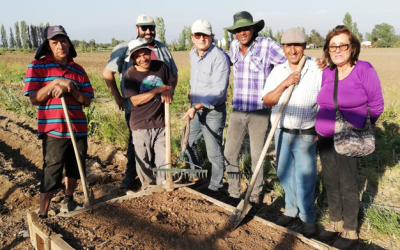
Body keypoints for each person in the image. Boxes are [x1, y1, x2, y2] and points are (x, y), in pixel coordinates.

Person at [316, 25, 384, 249]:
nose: (337, 50)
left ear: (352, 47)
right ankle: (335, 222)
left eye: (342, 45)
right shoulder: (328, 71)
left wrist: (362, 127)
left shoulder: (364, 69)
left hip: (349, 136)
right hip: (325, 137)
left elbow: (376, 105)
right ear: (327, 49)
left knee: (347, 183)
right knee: (331, 181)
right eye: (333, 46)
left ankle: (350, 230)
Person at [24, 25, 94, 219]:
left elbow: (87, 100)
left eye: (63, 42)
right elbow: (34, 98)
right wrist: (54, 84)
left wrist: (71, 88)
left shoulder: (78, 70)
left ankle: (68, 199)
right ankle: (43, 214)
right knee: (52, 170)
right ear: (48, 46)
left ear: (69, 44)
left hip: (77, 127)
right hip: (53, 129)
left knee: (75, 166)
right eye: (55, 42)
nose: (60, 46)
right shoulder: (37, 66)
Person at [103, 14, 177, 190]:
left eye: (151, 28)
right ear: (137, 29)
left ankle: (160, 182)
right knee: (137, 143)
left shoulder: (162, 49)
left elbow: (172, 75)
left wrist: (169, 90)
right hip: (135, 105)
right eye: (144, 28)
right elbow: (107, 74)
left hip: (160, 109)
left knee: (159, 144)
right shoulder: (124, 48)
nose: (148, 31)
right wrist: (118, 97)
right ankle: (131, 176)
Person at [262, 28, 322, 237]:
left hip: (306, 132)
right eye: (288, 45)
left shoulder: (317, 68)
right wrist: (285, 83)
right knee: (284, 172)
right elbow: (268, 100)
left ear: (304, 46)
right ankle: (290, 209)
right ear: (283, 48)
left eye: (297, 45)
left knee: (305, 176)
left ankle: (307, 216)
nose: (293, 50)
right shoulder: (277, 71)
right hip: (281, 131)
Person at [183, 20, 230, 192]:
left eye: (206, 35)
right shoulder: (192, 54)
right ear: (192, 38)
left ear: (211, 37)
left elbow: (218, 91)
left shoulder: (219, 57)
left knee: (213, 152)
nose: (202, 38)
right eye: (198, 35)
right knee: (186, 142)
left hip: (212, 112)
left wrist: (196, 107)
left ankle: (215, 187)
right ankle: (196, 174)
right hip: (195, 108)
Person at [123, 38, 175, 188]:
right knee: (143, 160)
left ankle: (162, 186)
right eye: (138, 56)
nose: (143, 58)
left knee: (163, 159)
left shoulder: (161, 67)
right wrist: (158, 90)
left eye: (145, 54)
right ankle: (147, 187)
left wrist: (168, 91)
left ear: (150, 53)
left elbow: (170, 84)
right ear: (133, 58)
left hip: (161, 121)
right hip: (140, 124)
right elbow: (136, 101)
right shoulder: (130, 75)